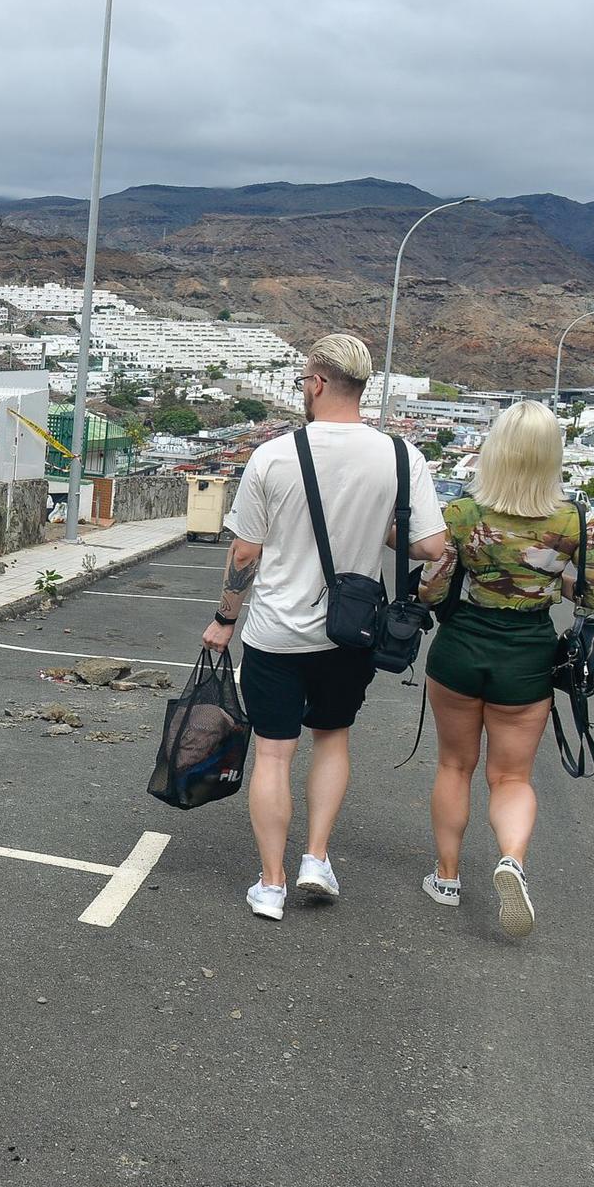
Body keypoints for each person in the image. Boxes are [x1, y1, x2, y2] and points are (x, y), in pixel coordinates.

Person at [203, 333, 445, 921]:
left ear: (315, 383)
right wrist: (369, 533)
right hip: (350, 633)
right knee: (332, 740)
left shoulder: (274, 455)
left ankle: (271, 884)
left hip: (276, 632)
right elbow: (433, 546)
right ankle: (316, 858)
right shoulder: (400, 456)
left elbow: (244, 555)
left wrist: (223, 620)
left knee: (274, 755)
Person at [417, 400, 594, 937]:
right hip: (527, 657)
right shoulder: (574, 518)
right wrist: (553, 577)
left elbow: (431, 588)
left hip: (459, 651)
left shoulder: (464, 513)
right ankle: (511, 860)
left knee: (455, 767)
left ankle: (448, 877)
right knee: (510, 777)